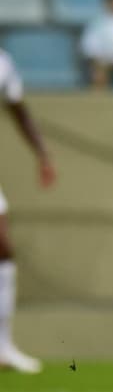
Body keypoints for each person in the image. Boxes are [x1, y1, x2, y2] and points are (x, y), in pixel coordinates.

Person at [0, 49, 55, 374]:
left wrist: (42, 153)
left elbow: (18, 109)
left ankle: (3, 347)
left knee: (3, 248)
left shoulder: (2, 63)